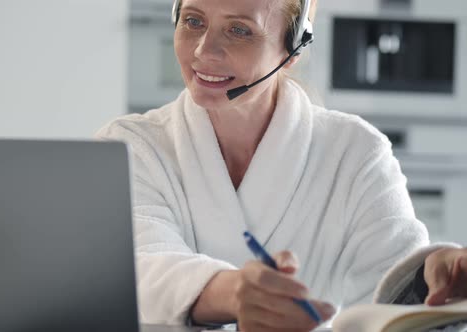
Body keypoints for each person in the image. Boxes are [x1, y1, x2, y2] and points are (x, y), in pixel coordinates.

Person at [96, 0, 467, 330]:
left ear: (293, 48)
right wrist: (234, 294)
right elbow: (132, 266)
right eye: (193, 21)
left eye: (239, 30)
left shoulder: (355, 152)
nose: (203, 50)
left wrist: (432, 277)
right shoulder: (131, 146)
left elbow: (394, 290)